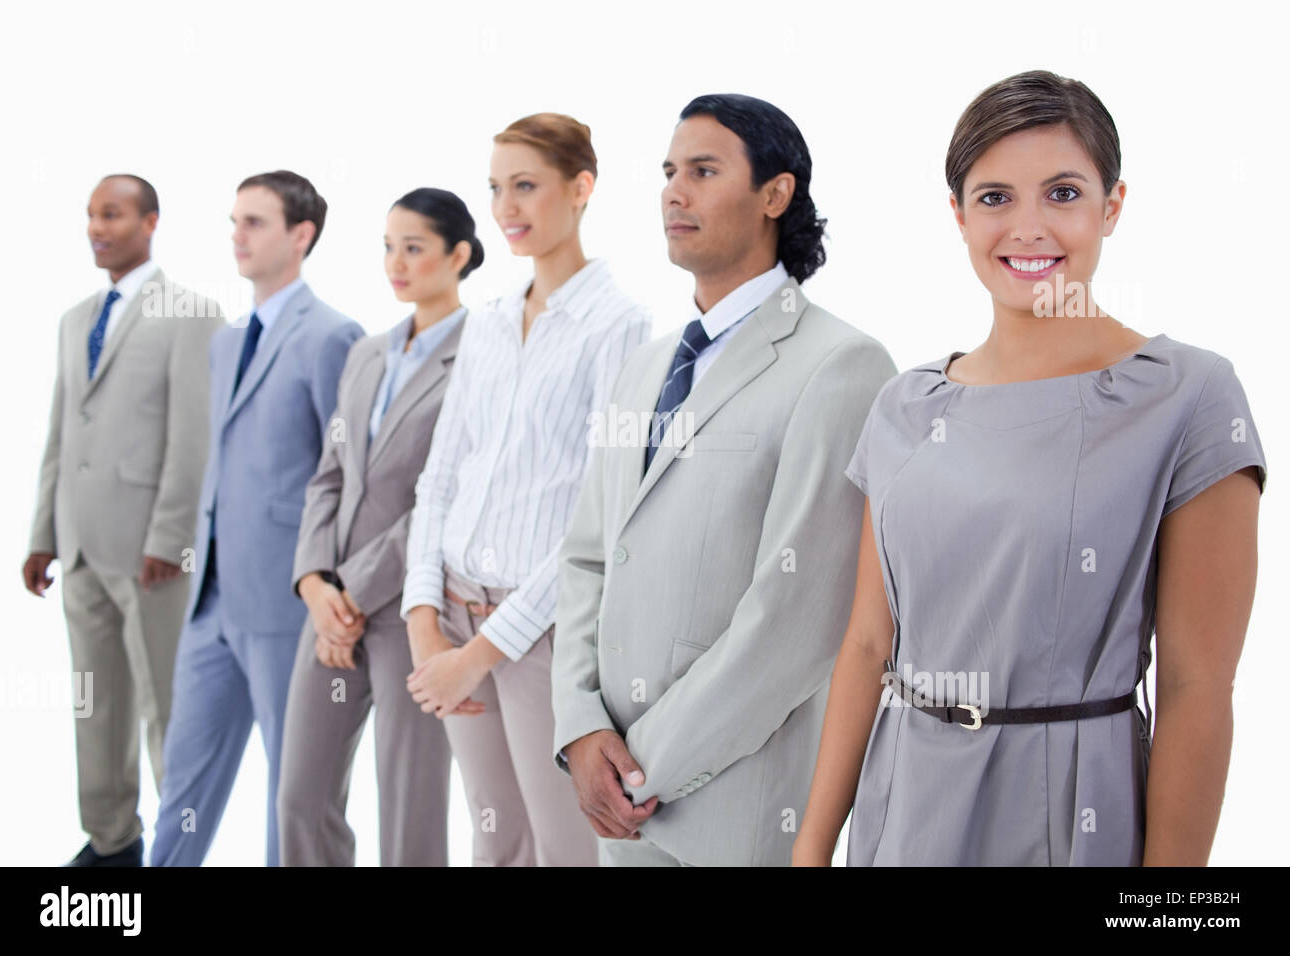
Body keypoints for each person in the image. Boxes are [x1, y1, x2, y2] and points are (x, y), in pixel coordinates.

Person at [793, 70, 1267, 867]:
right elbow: (869, 645)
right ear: (958, 215)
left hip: (1068, 809)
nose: (1028, 227)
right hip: (902, 808)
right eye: (995, 198)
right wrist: (811, 849)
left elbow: (1197, 688)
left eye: (1063, 192)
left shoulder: (1187, 396)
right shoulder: (906, 407)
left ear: (1112, 207)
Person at [552, 93, 897, 867]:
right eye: (670, 171)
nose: (674, 191)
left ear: (776, 194)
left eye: (704, 171)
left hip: (734, 806)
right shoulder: (644, 364)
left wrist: (644, 769)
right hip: (617, 801)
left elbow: (796, 619)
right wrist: (579, 728)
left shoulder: (841, 365)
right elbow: (586, 559)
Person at [401, 113, 650, 866]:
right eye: (496, 189)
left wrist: (481, 652)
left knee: (563, 848)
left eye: (525, 186)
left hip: (539, 634)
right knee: (494, 840)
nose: (506, 208)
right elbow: (442, 474)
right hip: (451, 607)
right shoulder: (487, 321)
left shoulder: (621, 327)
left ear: (582, 188)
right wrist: (423, 621)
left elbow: (598, 516)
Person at [150, 170, 364, 866]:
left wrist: (330, 584)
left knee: (293, 789)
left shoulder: (333, 336)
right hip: (211, 598)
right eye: (233, 221)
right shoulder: (224, 340)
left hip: (287, 598)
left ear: (301, 235)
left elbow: (348, 476)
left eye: (255, 222)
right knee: (184, 776)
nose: (237, 236)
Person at [277, 188, 481, 866]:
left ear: (458, 255)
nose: (396, 263)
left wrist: (355, 590)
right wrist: (313, 583)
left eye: (414, 248)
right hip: (331, 603)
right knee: (300, 799)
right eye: (388, 247)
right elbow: (330, 472)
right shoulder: (367, 353)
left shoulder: (484, 358)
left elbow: (446, 499)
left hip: (412, 608)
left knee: (410, 805)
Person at [25, 174, 222, 866]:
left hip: (151, 551)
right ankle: (112, 843)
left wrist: (172, 535)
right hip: (79, 548)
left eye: (112, 214)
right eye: (89, 215)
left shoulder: (190, 313)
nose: (96, 228)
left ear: (151, 221)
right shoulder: (76, 317)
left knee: (168, 707)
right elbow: (62, 431)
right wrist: (42, 535)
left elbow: (194, 436)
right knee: (94, 705)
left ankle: (180, 847)